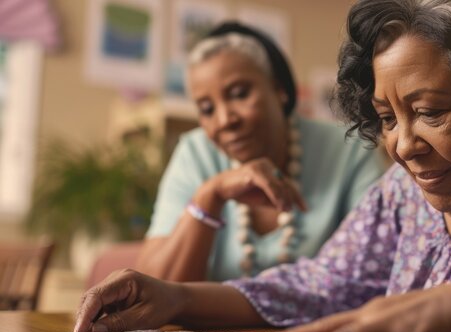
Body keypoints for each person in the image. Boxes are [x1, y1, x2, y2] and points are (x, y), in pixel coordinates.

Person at [75, 0, 451, 332]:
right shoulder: (405, 196)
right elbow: (323, 285)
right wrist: (175, 296)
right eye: (387, 118)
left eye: (431, 111)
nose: (401, 145)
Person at [134, 22, 388, 282]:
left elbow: (376, 272)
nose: (224, 120)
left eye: (239, 94)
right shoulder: (195, 152)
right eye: (207, 109)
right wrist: (210, 197)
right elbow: (152, 288)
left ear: (279, 90)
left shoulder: (350, 149)